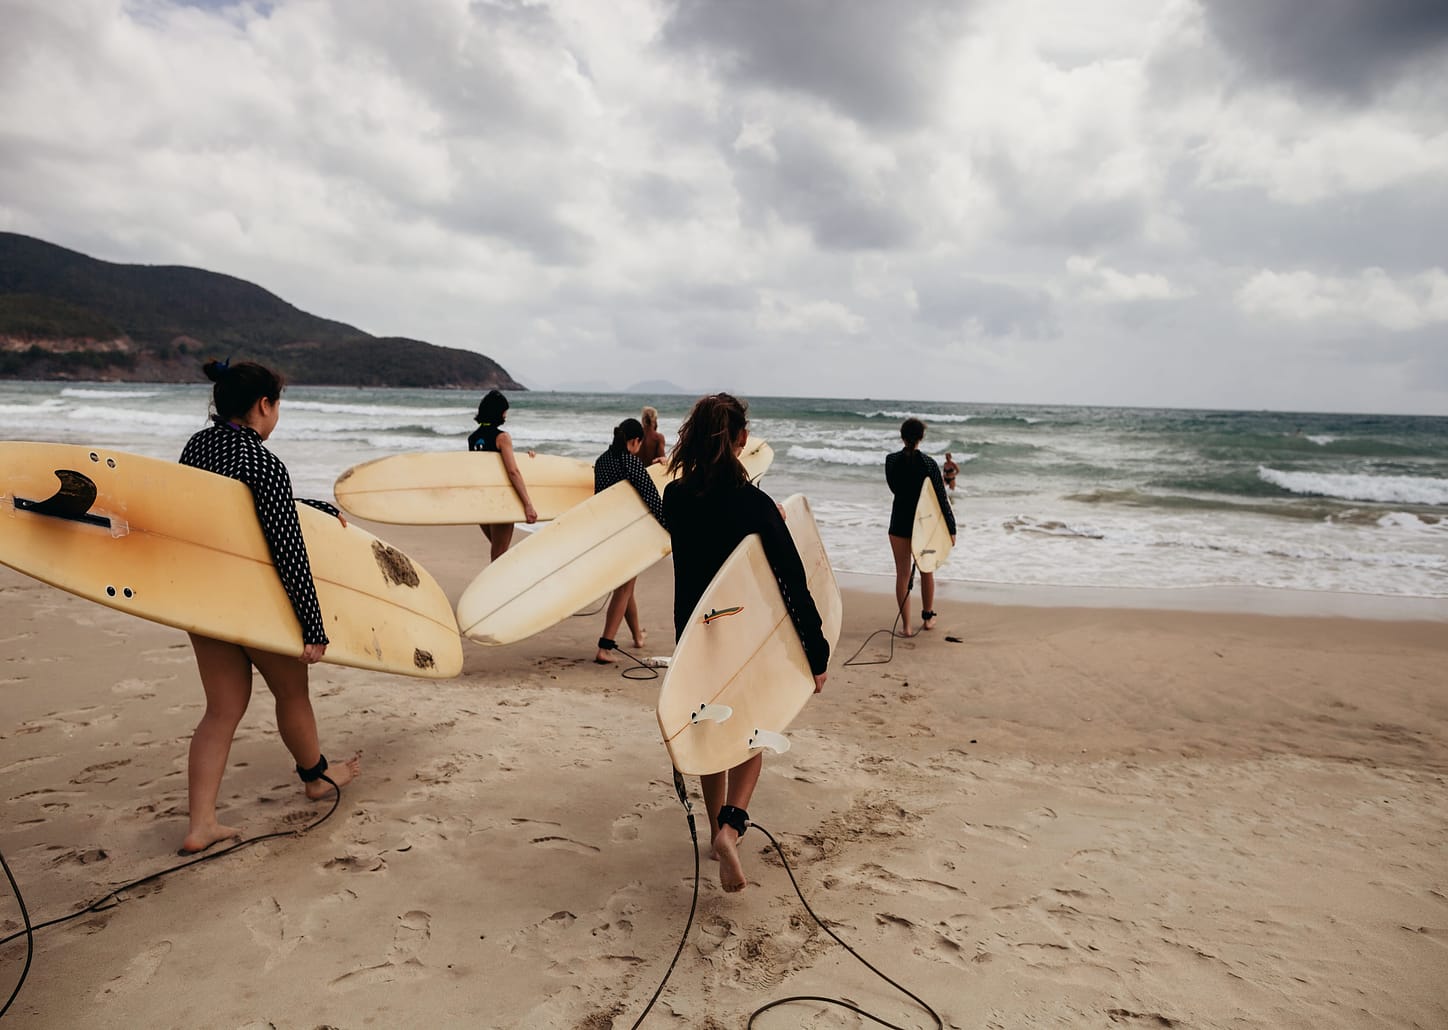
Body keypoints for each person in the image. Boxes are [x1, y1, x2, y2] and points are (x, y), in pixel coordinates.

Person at [176, 359, 359, 854]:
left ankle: (201, 824)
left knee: (222, 708)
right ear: (263, 405)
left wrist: (309, 508)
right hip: (256, 602)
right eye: (277, 406)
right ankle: (316, 778)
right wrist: (312, 626)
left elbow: (240, 511)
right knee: (292, 693)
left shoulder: (197, 447)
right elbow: (287, 551)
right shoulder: (264, 463)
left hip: (204, 600)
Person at [663, 393, 829, 892]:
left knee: (709, 728)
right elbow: (792, 581)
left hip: (695, 636)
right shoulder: (755, 506)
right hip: (745, 637)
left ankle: (714, 829)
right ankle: (731, 829)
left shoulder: (675, 497)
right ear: (741, 439)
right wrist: (816, 652)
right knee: (751, 731)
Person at [592, 418, 667, 663]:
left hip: (606, 531)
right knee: (624, 588)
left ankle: (637, 636)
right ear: (635, 441)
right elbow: (653, 500)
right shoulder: (630, 462)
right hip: (627, 533)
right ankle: (605, 647)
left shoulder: (602, 461)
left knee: (627, 588)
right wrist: (671, 529)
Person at [885, 417, 956, 636]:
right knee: (926, 570)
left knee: (902, 574)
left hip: (899, 522)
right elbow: (941, 498)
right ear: (921, 437)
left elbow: (894, 488)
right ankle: (927, 619)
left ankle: (906, 626)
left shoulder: (891, 460)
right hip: (923, 525)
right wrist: (951, 528)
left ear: (902, 436)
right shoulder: (928, 463)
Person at [468, 389, 537, 561]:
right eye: (505, 411)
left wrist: (526, 459)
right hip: (500, 500)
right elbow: (512, 471)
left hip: (481, 500)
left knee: (500, 553)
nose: (506, 415)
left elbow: (487, 466)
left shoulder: (473, 438)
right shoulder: (502, 437)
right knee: (499, 556)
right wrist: (528, 505)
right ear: (499, 412)